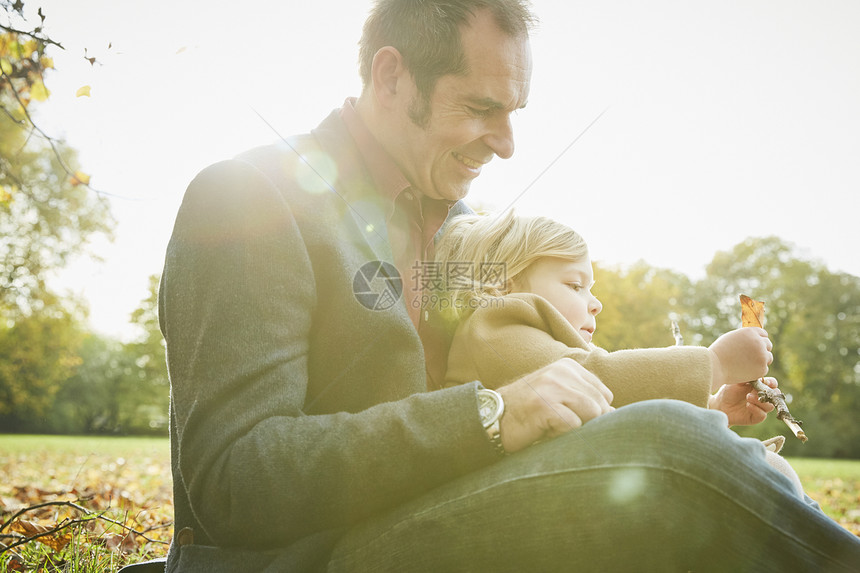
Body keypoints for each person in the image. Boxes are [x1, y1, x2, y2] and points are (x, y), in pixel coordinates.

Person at [158, 1, 860, 571]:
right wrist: (491, 416)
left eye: (513, 112)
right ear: (392, 76)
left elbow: (560, 373)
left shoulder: (467, 229)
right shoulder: (249, 198)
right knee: (671, 446)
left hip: (442, 511)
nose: (506, 143)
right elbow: (232, 479)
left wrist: (694, 401)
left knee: (693, 441)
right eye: (479, 108)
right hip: (307, 554)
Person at [437, 210, 804, 496]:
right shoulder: (495, 328)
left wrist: (714, 407)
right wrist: (715, 363)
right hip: (522, 506)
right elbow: (600, 378)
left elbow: (610, 410)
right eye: (575, 285)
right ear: (503, 285)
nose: (595, 303)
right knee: (765, 472)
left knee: (769, 472)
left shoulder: (535, 343)